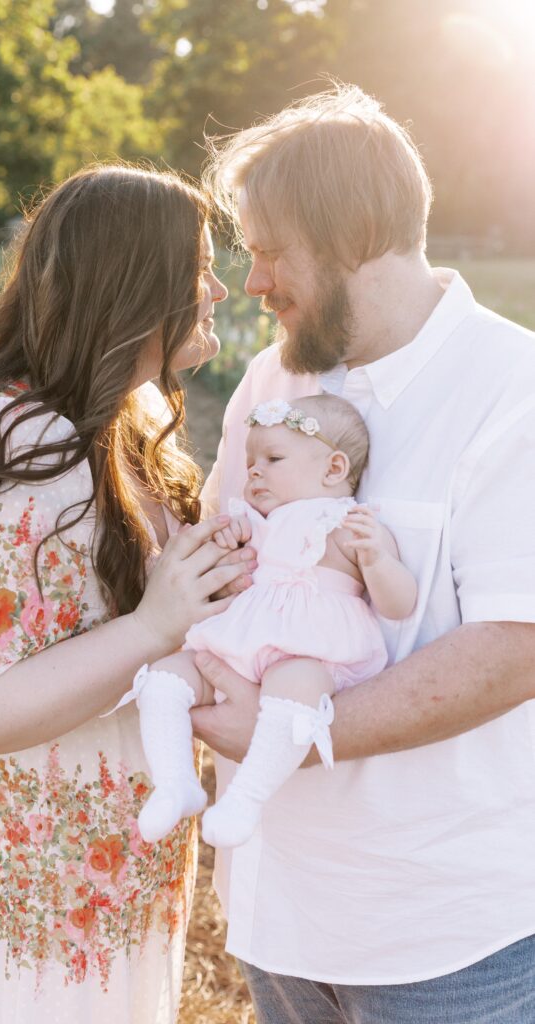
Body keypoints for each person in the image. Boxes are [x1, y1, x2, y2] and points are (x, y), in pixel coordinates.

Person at [0, 165, 250, 1024]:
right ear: (130, 282)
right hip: (2, 876)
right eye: (199, 269)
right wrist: (154, 626)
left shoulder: (126, 421)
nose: (218, 289)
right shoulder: (5, 446)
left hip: (94, 864)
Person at [190, 84, 535, 1023]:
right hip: (279, 910)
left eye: (267, 251)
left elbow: (516, 646)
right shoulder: (277, 376)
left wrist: (295, 732)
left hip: (444, 937)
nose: (251, 282)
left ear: (354, 234)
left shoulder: (514, 389)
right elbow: (231, 559)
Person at [132, 393, 415, 848]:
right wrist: (225, 542)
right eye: (250, 462)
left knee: (297, 683)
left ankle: (248, 796)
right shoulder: (253, 522)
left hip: (310, 649)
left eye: (273, 458)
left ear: (334, 469)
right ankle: (175, 781)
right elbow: (224, 573)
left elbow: (398, 605)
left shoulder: (350, 524)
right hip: (237, 642)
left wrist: (378, 561)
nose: (255, 471)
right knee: (165, 678)